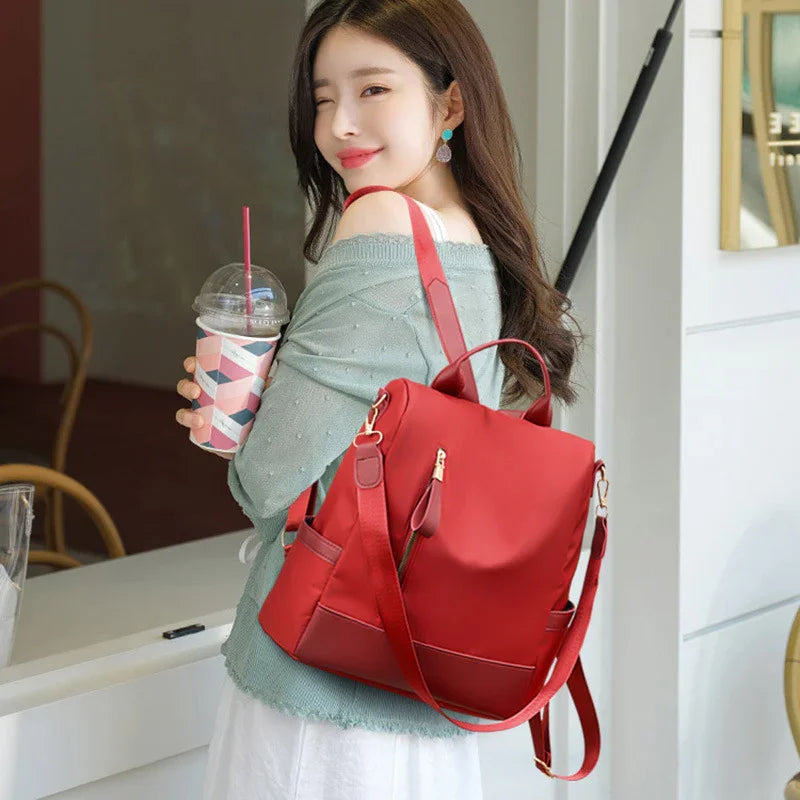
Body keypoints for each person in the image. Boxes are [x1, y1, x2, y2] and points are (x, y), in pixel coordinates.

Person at [176, 1, 581, 797]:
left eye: (373, 90)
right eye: (324, 98)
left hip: (321, 697)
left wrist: (236, 421)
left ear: (450, 103)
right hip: (422, 685)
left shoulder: (382, 223)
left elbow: (267, 483)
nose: (340, 125)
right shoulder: (476, 237)